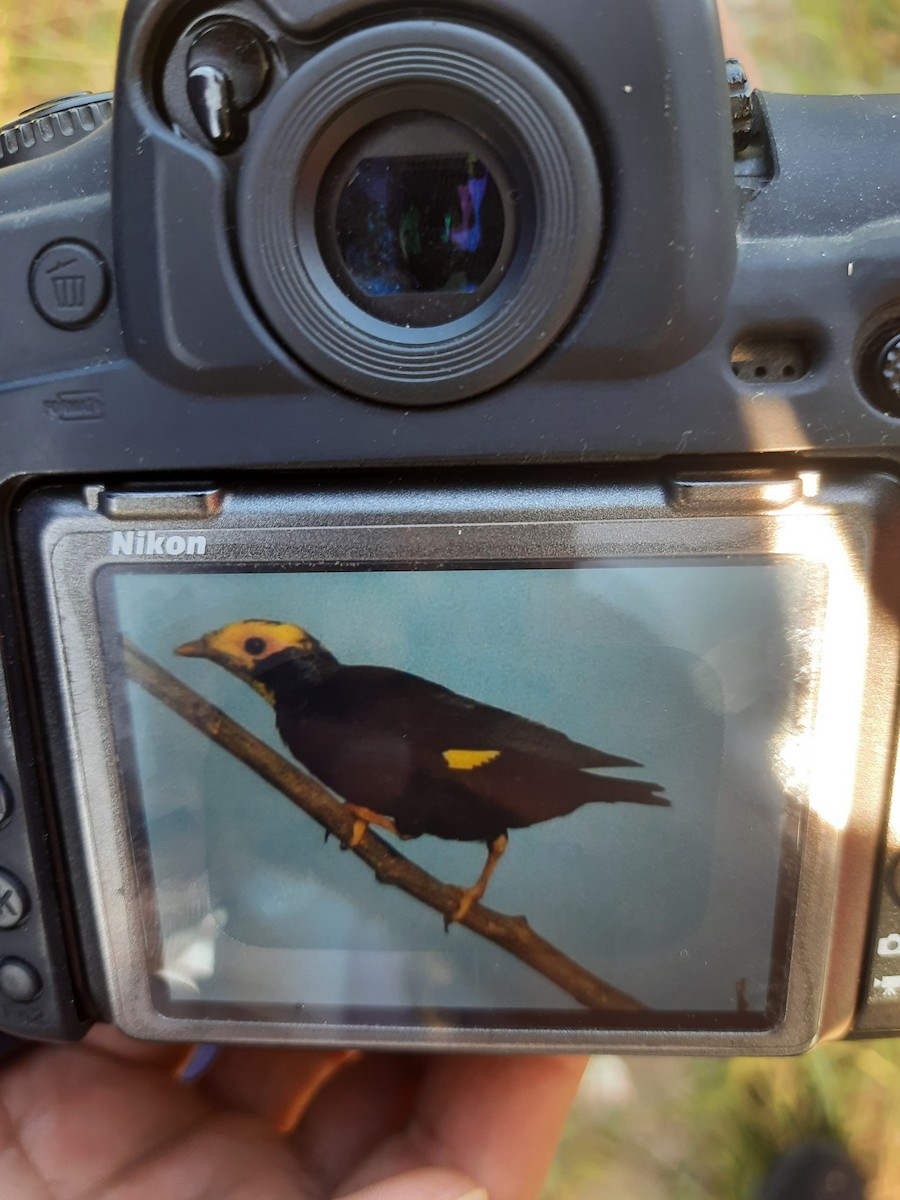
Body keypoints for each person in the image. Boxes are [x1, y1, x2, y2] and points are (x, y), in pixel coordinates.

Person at [0, 5, 760, 1200]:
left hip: (471, 777)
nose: (231, 657)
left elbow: (475, 750)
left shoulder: (339, 704)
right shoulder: (310, 717)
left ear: (292, 657)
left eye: (251, 646)